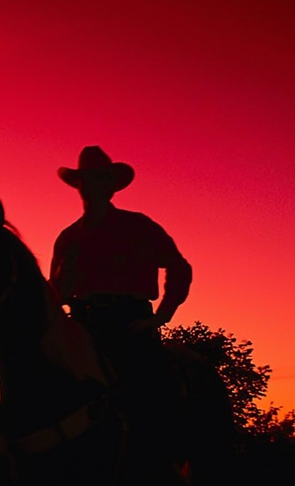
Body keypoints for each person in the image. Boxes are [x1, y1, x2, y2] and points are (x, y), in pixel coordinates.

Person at [49, 145, 192, 427]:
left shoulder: (139, 227)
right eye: (86, 179)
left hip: (129, 322)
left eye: (99, 178)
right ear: (78, 185)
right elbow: (57, 290)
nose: (91, 185)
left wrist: (162, 315)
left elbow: (179, 268)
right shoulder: (68, 238)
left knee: (151, 394)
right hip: (81, 323)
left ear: (111, 186)